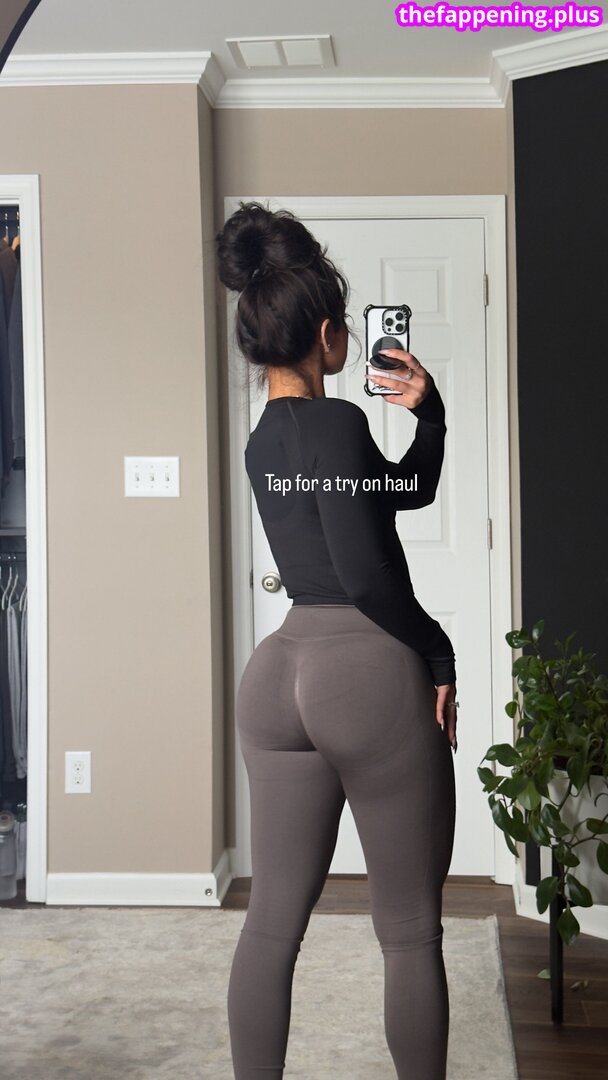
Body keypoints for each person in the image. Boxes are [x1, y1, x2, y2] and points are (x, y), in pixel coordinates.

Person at [216, 202, 458, 1080]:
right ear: (328, 336)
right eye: (345, 324)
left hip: (277, 677)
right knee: (409, 931)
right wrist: (438, 653)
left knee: (271, 925)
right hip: (364, 677)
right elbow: (364, 578)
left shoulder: (262, 443)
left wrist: (429, 418)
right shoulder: (341, 425)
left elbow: (400, 492)